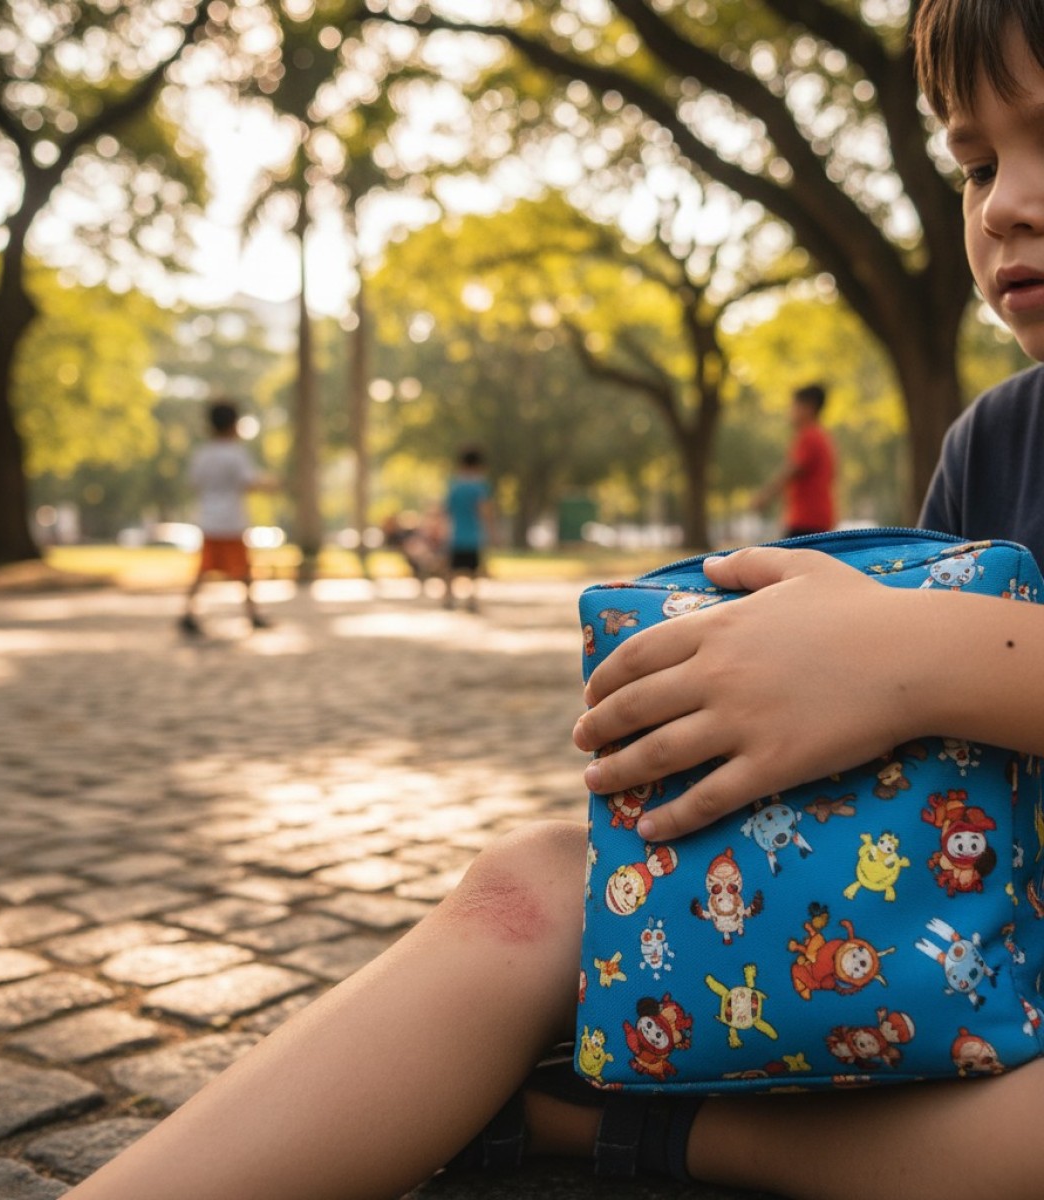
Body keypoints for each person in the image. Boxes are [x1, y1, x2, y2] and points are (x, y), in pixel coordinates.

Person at [67, 4, 1044, 1197]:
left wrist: (909, 657)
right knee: (529, 891)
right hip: (985, 927)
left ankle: (632, 1130)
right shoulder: (994, 439)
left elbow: (912, 671)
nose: (1002, 205)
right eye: (976, 164)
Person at [179, 398, 278, 637]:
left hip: (210, 520)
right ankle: (252, 614)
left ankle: (188, 613)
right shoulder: (235, 453)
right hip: (232, 521)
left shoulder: (203, 454)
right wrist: (271, 484)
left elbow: (194, 482)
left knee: (203, 571)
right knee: (243, 572)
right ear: (234, 425)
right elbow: (248, 482)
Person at [752, 382, 836, 537]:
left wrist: (764, 497)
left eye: (794, 406)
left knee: (788, 553)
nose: (790, 411)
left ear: (808, 408)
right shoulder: (822, 436)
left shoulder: (809, 436)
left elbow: (790, 471)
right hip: (819, 517)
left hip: (806, 519)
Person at [442, 445, 495, 611]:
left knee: (452, 568)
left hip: (455, 533)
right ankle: (472, 599)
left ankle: (449, 597)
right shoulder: (479, 486)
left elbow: (447, 509)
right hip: (473, 534)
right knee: (474, 570)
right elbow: (484, 510)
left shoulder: (454, 485)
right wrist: (492, 531)